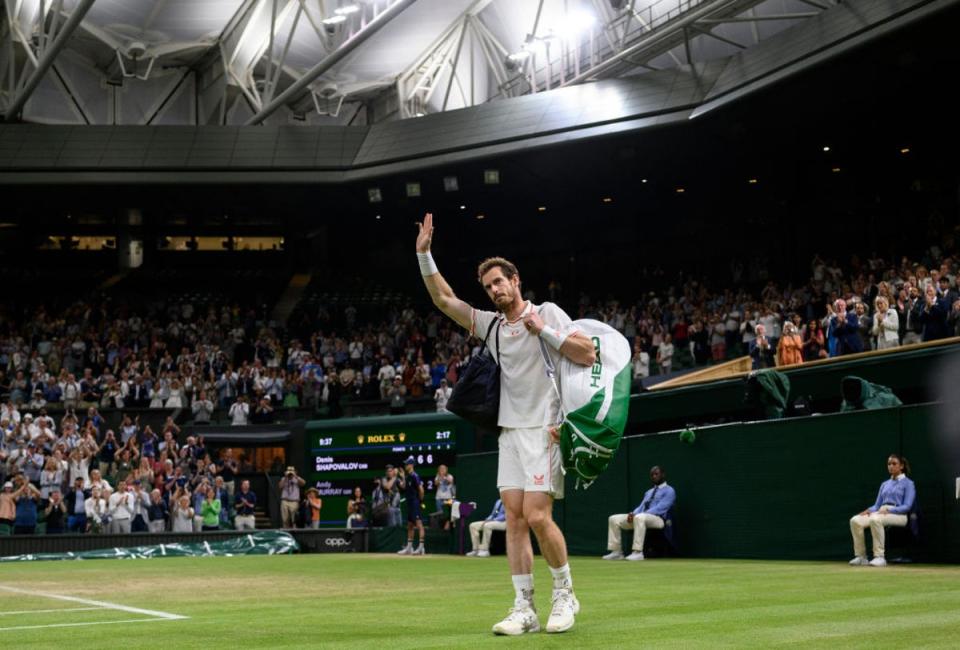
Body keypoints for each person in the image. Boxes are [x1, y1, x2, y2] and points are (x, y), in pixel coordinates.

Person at [415, 213, 596, 635]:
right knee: (513, 518)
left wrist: (544, 331)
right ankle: (524, 607)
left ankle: (566, 594)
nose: (494, 290)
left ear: (515, 281)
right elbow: (445, 300)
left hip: (546, 428)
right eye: (488, 286)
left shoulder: (546, 311)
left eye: (500, 282)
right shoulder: (491, 325)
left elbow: (586, 353)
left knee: (536, 515)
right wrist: (424, 256)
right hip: (510, 433)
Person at [849, 453, 916, 567]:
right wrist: (868, 510)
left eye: (894, 464)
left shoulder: (909, 484)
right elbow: (877, 505)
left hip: (899, 514)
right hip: (880, 511)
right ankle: (861, 557)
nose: (891, 466)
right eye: (889, 464)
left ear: (901, 466)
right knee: (855, 520)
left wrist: (890, 511)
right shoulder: (884, 484)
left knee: (875, 519)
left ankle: (879, 557)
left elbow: (907, 506)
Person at [602, 466, 676, 561]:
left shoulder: (669, 491)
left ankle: (638, 552)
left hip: (659, 520)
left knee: (640, 517)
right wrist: (632, 514)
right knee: (613, 519)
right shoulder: (649, 492)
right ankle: (617, 552)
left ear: (663, 475)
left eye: (656, 474)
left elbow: (660, 508)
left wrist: (640, 514)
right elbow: (641, 506)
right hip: (642, 517)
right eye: (652, 475)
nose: (654, 476)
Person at [396, 456, 426, 555]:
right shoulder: (409, 476)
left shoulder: (415, 476)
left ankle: (421, 548)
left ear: (411, 465)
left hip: (414, 503)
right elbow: (404, 487)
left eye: (407, 464)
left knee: (419, 524)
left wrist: (420, 501)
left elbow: (421, 490)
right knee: (410, 526)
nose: (405, 465)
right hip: (409, 503)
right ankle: (409, 548)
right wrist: (403, 476)